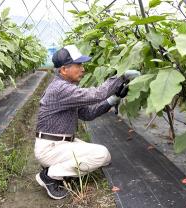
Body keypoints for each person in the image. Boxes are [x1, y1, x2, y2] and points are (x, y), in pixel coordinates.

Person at [34, 45, 140, 199]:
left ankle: (54, 167)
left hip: (58, 144)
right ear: (64, 70)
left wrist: (113, 99)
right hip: (51, 148)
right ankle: (50, 176)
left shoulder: (66, 88)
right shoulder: (60, 89)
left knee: (104, 158)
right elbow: (95, 94)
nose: (83, 69)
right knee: (101, 155)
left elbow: (88, 113)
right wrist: (121, 78)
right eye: (79, 65)